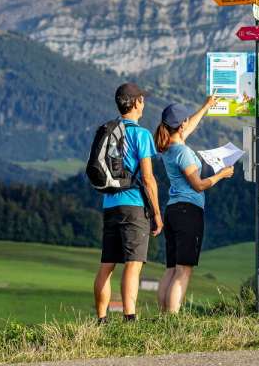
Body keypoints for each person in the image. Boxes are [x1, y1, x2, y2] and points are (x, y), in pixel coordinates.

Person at [155, 97, 234, 313]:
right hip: (188, 212)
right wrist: (221, 175)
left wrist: (207, 106)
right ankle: (172, 318)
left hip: (172, 210)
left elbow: (187, 128)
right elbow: (198, 185)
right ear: (180, 126)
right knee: (184, 270)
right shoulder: (183, 153)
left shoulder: (169, 147)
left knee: (171, 268)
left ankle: (163, 317)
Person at [94, 82, 163, 324]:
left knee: (107, 264)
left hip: (109, 203)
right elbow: (148, 177)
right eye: (142, 99)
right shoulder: (141, 134)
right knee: (133, 264)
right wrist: (156, 212)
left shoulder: (110, 131)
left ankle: (101, 320)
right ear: (135, 103)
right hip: (133, 205)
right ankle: (129, 318)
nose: (144, 103)